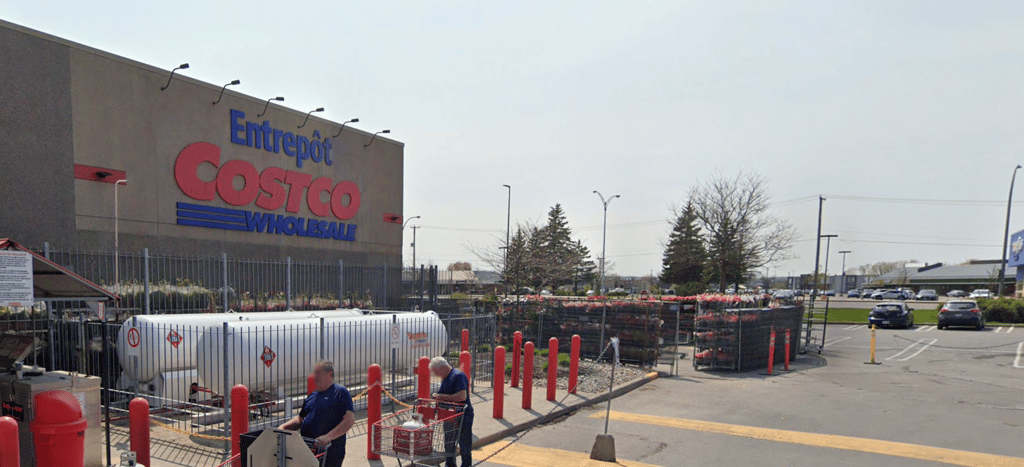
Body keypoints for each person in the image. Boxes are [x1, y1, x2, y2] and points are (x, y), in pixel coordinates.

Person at [278, 361, 355, 467]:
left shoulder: (340, 392)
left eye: (318, 373)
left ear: (330, 374)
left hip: (329, 453)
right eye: (315, 373)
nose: (315, 377)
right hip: (308, 452)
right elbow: (300, 419)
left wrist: (328, 437)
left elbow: (349, 420)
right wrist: (284, 427)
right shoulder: (312, 396)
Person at [429, 356, 474, 467]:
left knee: (464, 444)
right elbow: (441, 396)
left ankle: (466, 465)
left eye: (437, 372)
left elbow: (461, 396)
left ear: (443, 368)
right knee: (448, 443)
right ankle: (450, 464)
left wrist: (441, 396)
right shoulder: (446, 378)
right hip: (450, 414)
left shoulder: (458, 376)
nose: (436, 375)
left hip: (463, 415)